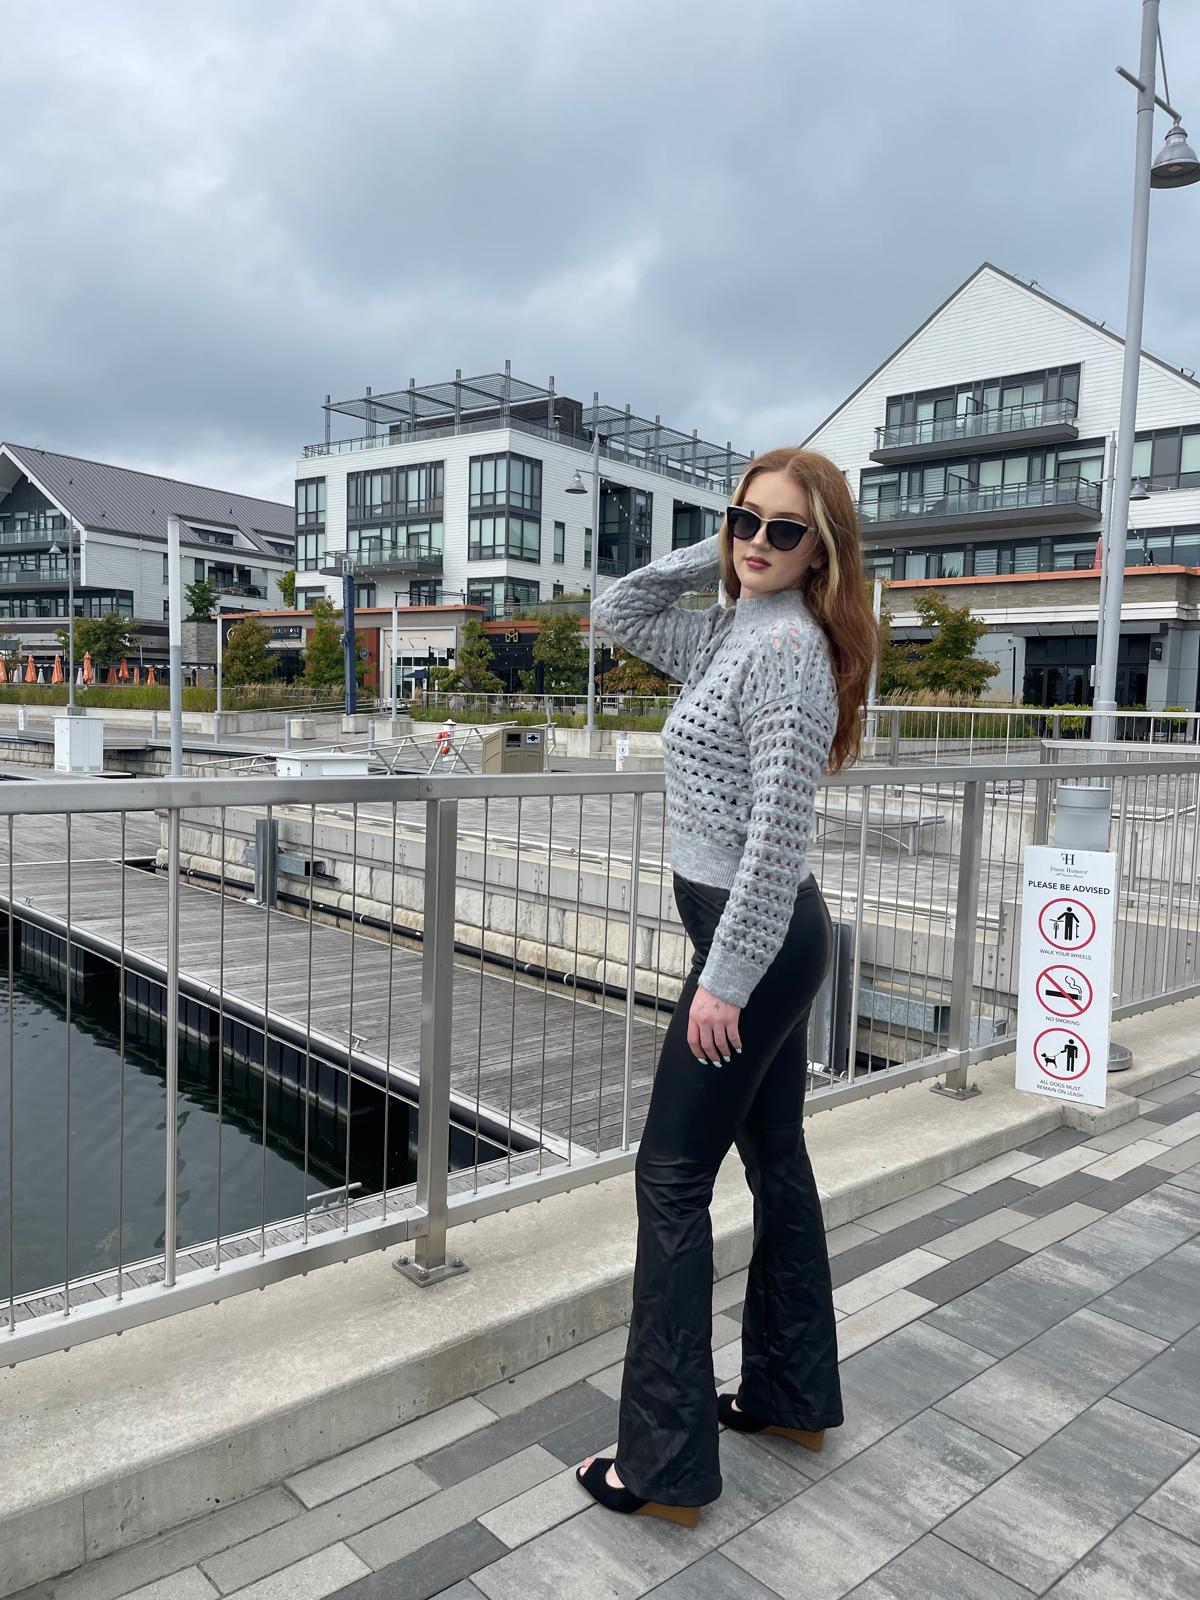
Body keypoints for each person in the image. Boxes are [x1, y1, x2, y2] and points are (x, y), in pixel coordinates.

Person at [575, 447, 878, 1526]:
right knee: (776, 1154)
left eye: (784, 530)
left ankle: (661, 1466)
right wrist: (724, 547)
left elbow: (776, 835)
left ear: (823, 551)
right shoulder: (725, 628)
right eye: (744, 520)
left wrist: (725, 982)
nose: (756, 541)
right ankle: (792, 1394)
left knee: (669, 1177)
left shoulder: (787, 651)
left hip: (755, 942)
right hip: (756, 939)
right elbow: (617, 604)